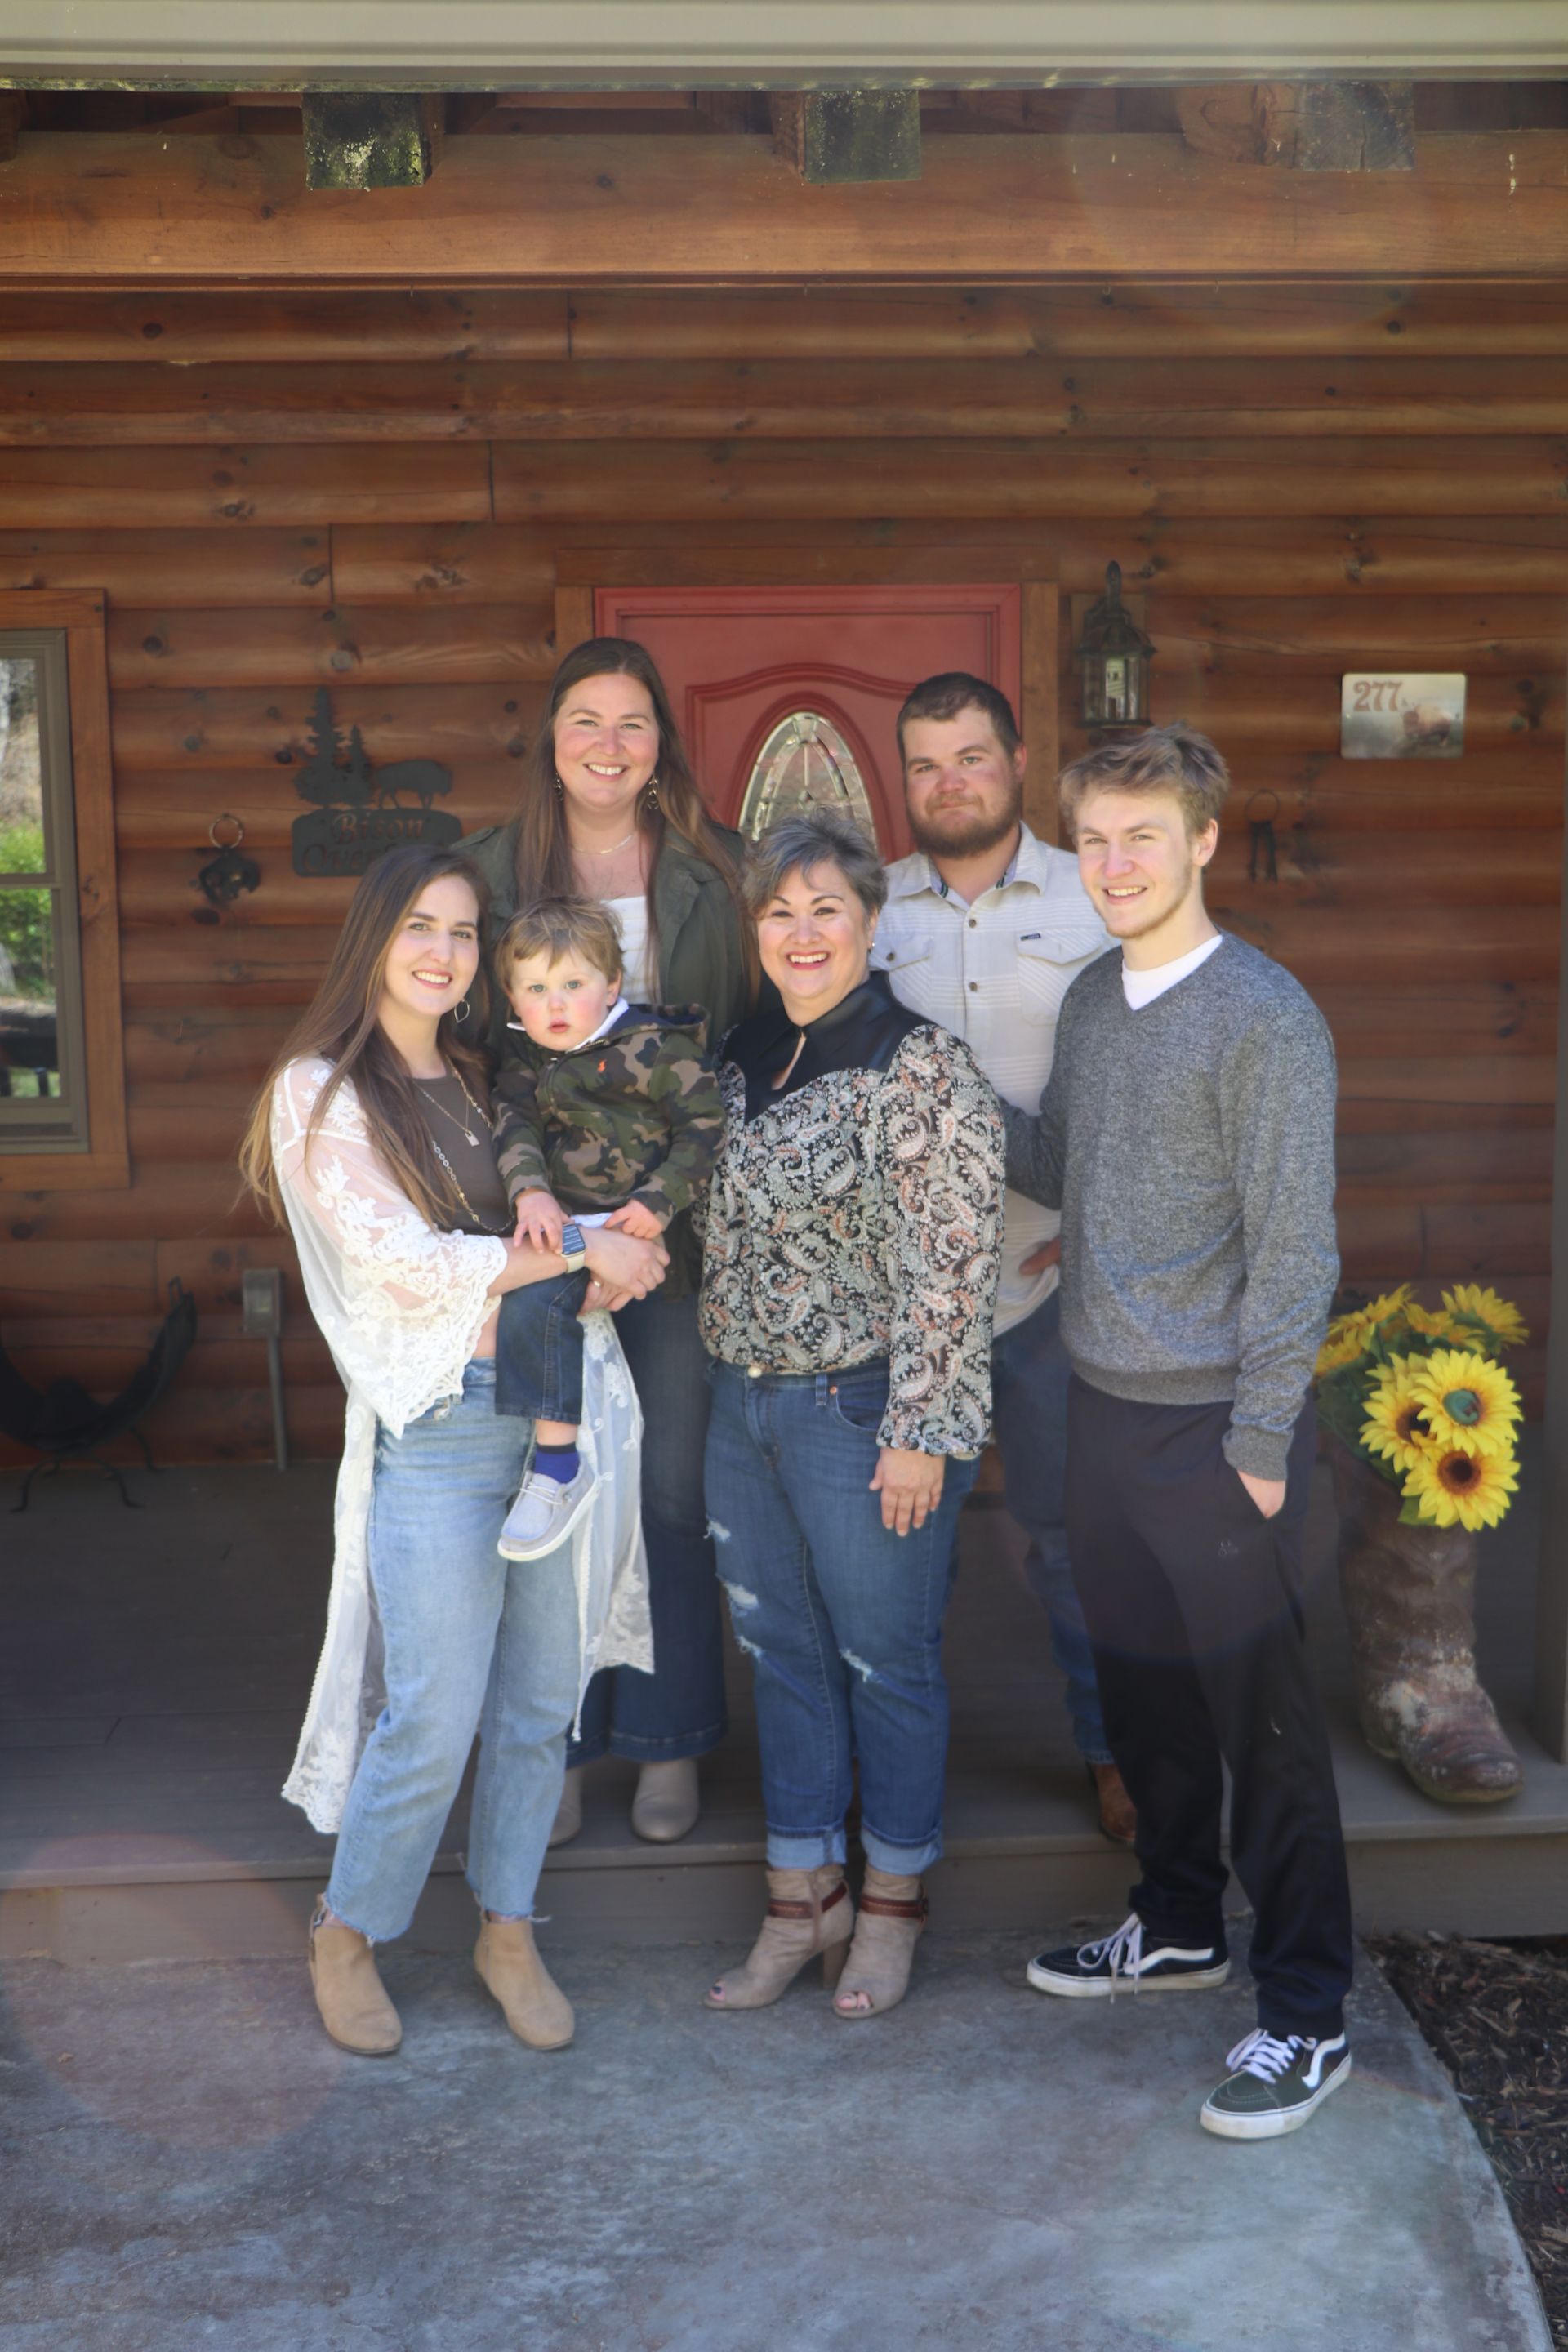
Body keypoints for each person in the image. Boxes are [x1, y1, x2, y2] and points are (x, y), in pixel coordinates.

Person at [238, 843, 666, 2058]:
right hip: (436, 1428)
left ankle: (507, 1929)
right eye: (421, 926)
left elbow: (593, 1197)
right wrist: (588, 1247)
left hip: (558, 1413)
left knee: (537, 1706)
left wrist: (621, 1242)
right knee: (431, 1707)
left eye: (465, 933)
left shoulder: (497, 1077)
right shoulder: (319, 1093)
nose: (443, 952)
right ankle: (348, 1928)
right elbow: (409, 1267)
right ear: (373, 937)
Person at [1003, 724, 1353, 2142]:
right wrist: (933, 1096)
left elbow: (1297, 1252)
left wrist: (1264, 1437)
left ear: (1204, 841)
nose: (1116, 863)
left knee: (1262, 1731)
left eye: (1144, 836)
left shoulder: (1266, 1018)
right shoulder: (1095, 1000)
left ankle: (1309, 2012)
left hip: (1219, 1433)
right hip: (1101, 1406)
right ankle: (1179, 1923)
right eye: (1093, 838)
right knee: (1146, 1703)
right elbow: (1057, 1161)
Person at [701, 811, 1004, 2021]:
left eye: (828, 908)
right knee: (783, 1657)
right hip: (742, 1405)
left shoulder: (916, 1063)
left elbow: (956, 1262)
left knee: (886, 1661)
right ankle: (800, 1897)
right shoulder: (737, 1052)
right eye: (780, 911)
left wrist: (921, 1428)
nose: (803, 931)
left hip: (864, 1404)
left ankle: (891, 1905)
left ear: (873, 924)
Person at [461, 637, 759, 1847]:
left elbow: (732, 1049)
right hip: (540, 1236)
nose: (608, 743)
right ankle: (562, 1739)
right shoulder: (486, 873)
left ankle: (670, 1736)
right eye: (587, 719)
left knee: (673, 1486)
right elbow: (471, 1047)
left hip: (672, 1238)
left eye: (633, 723)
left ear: (658, 747)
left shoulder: (711, 871)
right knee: (552, 1481)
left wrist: (662, 1207)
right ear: (551, 735)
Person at [875, 670, 1136, 1846]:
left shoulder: (1098, 899)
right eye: (926, 763)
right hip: (903, 1300)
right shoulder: (866, 914)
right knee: (897, 1555)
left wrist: (1112, 1224)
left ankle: (1113, 1750)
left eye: (971, 756)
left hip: (1049, 1281)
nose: (950, 782)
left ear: (1017, 761)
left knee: (1074, 1535)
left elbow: (1148, 1078)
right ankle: (892, 1787)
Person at [488, 895, 724, 1559]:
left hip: (653, 1253)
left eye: (573, 985)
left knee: (667, 1469)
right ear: (512, 995)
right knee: (531, 1306)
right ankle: (555, 1466)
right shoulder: (524, 1061)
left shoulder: (655, 1049)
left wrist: (657, 1203)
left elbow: (703, 1126)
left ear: (612, 985)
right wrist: (530, 1192)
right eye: (535, 989)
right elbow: (515, 1127)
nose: (554, 1005)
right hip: (566, 1239)